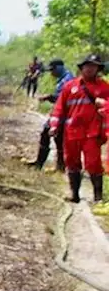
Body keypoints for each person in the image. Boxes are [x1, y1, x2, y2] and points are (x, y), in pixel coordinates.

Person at [49, 54, 109, 203]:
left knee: (93, 163)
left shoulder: (104, 87)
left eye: (93, 66)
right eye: (87, 66)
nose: (90, 69)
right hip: (72, 131)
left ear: (98, 69)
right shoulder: (70, 86)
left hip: (93, 132)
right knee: (72, 162)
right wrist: (54, 125)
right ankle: (74, 195)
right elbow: (59, 108)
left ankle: (98, 197)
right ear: (82, 68)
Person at [28, 58, 74, 171]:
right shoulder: (63, 78)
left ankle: (49, 165)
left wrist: (49, 97)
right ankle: (55, 165)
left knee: (51, 135)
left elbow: (63, 98)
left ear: (59, 68)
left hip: (64, 114)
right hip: (60, 112)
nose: (51, 73)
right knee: (53, 136)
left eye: (53, 70)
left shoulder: (67, 79)